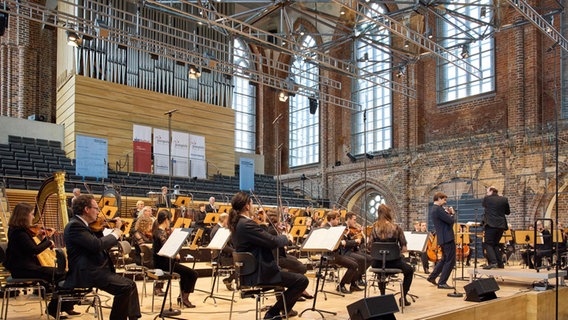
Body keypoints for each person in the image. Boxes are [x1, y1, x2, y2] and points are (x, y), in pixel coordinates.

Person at [228, 191, 308, 319]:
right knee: (302, 280)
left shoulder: (237, 223)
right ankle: (273, 313)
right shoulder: (247, 224)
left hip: (249, 272)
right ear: (247, 206)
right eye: (252, 203)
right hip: (259, 274)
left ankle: (280, 311)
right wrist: (286, 238)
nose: (253, 206)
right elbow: (271, 241)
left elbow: (262, 239)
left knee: (293, 276)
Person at [64, 195, 141, 320]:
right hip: (88, 272)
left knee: (129, 285)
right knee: (127, 286)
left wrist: (104, 231)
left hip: (94, 269)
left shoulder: (84, 225)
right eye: (96, 208)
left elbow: (99, 244)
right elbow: (96, 245)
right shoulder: (75, 226)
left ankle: (133, 317)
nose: (99, 212)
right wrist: (116, 232)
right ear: (86, 209)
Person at [4, 202, 79, 319]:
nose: (33, 217)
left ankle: (65, 306)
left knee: (63, 274)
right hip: (23, 269)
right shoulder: (19, 233)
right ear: (24, 216)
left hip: (24, 267)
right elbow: (34, 250)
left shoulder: (17, 231)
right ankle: (55, 309)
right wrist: (49, 242)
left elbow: (30, 248)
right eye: (32, 214)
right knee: (62, 274)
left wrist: (44, 239)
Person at [369, 204, 414, 306]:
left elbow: (369, 247)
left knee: (381, 271)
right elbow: (404, 249)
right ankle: (403, 297)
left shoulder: (374, 228)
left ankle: (383, 296)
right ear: (389, 214)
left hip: (377, 263)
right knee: (409, 270)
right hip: (394, 263)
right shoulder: (396, 228)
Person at [153, 210, 199, 308]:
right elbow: (167, 249)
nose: (171, 221)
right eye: (170, 219)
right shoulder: (160, 233)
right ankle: (184, 298)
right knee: (193, 274)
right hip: (164, 264)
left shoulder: (160, 231)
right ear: (166, 220)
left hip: (165, 262)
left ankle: (182, 298)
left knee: (186, 274)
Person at [322, 212, 362, 294]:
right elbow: (328, 242)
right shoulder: (326, 228)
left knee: (356, 261)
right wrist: (341, 243)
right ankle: (341, 285)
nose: (338, 221)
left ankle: (353, 284)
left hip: (336, 254)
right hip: (330, 255)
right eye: (337, 219)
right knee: (353, 265)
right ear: (332, 219)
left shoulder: (332, 227)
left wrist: (344, 237)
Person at [426, 192, 456, 289]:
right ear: (439, 199)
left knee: (444, 259)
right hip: (447, 237)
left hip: (442, 238)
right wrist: (452, 214)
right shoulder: (438, 209)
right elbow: (451, 221)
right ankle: (442, 282)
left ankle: (432, 277)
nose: (445, 202)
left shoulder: (435, 209)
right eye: (444, 200)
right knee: (450, 260)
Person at [481, 186, 511, 269]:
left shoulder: (487, 199)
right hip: (501, 225)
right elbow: (507, 212)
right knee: (496, 244)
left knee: (488, 243)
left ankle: (493, 262)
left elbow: (484, 205)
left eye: (487, 192)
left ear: (491, 191)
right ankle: (500, 263)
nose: (486, 194)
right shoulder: (504, 199)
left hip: (491, 225)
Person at [343, 212, 372, 287]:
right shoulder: (343, 228)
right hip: (345, 252)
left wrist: (361, 236)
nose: (355, 222)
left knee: (370, 259)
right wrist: (355, 241)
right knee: (362, 259)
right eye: (354, 220)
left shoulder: (353, 229)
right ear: (348, 219)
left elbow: (361, 241)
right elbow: (345, 243)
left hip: (354, 250)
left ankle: (357, 278)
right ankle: (355, 280)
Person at [210, 212, 236, 291]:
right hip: (219, 257)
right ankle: (230, 280)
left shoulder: (219, 228)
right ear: (225, 220)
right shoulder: (218, 230)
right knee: (242, 262)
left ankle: (231, 280)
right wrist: (235, 251)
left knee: (241, 260)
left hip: (224, 255)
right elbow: (222, 246)